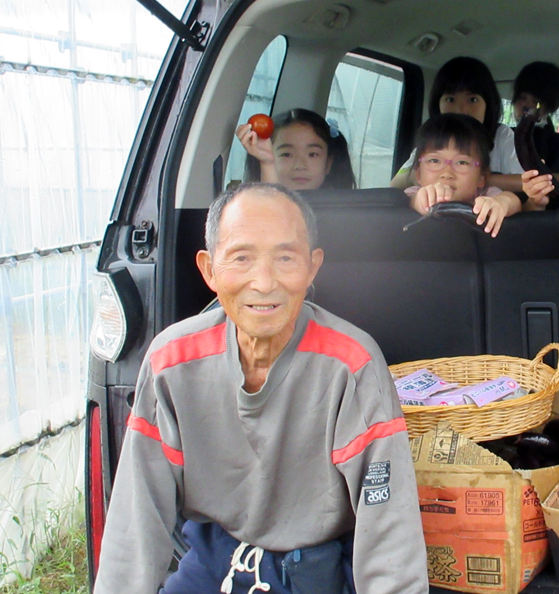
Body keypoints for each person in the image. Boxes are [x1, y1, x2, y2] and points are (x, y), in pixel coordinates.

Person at [94, 183, 428, 594]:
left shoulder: (352, 364)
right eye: (242, 257)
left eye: (285, 258)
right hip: (212, 563)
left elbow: (388, 527)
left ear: (312, 267)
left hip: (313, 572)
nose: (264, 281)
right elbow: (137, 515)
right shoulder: (171, 362)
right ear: (209, 270)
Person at [391, 56, 524, 193]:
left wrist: (474, 178)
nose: (460, 110)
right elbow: (396, 184)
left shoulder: (501, 135)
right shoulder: (433, 138)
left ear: (488, 104)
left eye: (472, 100)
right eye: (450, 99)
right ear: (438, 103)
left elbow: (524, 182)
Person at [407, 113, 522, 237]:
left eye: (462, 162)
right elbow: (409, 200)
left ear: (481, 177)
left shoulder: (484, 195)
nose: (447, 173)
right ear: (418, 173)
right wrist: (419, 202)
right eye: (434, 161)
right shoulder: (416, 193)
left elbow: (513, 201)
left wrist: (502, 202)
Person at [236, 108, 357, 191]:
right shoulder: (253, 207)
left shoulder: (343, 212)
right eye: (287, 154)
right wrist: (267, 163)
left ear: (328, 164)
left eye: (313, 154)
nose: (299, 165)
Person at [511, 61, 559, 197]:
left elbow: (555, 185)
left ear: (549, 106)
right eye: (522, 98)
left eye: (536, 102)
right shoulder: (501, 137)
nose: (527, 106)